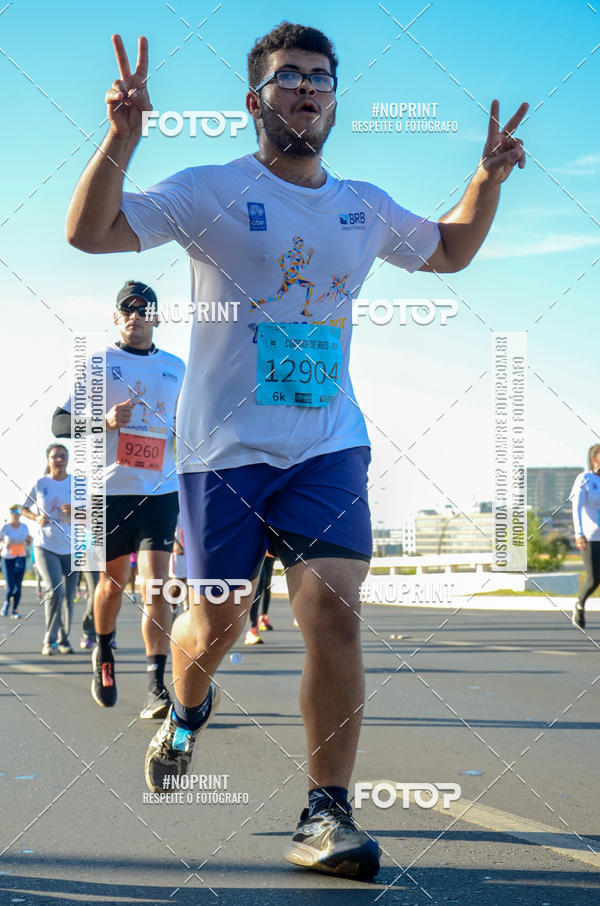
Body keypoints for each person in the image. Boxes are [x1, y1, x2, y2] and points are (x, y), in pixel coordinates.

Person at [65, 22, 527, 880]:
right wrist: (120, 141)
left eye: (321, 77)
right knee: (216, 626)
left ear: (334, 97)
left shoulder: (364, 204)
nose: (308, 89)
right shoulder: (209, 190)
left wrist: (485, 179)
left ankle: (327, 814)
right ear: (257, 100)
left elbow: (453, 249)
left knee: (333, 613)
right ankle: (185, 713)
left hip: (327, 447)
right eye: (289, 78)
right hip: (221, 455)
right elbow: (90, 233)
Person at [52, 281, 185, 719]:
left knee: (156, 587)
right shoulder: (98, 364)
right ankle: (104, 653)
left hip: (159, 493)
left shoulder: (176, 367)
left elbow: (194, 427)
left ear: (156, 317)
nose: (135, 316)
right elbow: (59, 424)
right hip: (105, 492)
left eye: (144, 309)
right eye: (126, 310)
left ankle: (155, 686)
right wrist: (105, 421)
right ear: (116, 318)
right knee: (111, 584)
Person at [22, 445, 75, 654]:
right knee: (55, 590)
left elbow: (94, 513)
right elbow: (23, 508)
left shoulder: (77, 483)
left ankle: (63, 640)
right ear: (48, 460)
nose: (59, 460)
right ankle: (49, 639)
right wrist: (36, 517)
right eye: (55, 457)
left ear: (68, 459)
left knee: (69, 597)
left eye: (63, 456)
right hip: (45, 545)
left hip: (71, 547)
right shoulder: (40, 483)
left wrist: (76, 510)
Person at [570, 443, 600, 629]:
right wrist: (578, 533)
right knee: (594, 578)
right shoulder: (584, 478)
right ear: (594, 458)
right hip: (590, 537)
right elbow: (576, 508)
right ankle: (579, 604)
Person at [1, 505, 32, 619]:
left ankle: (15, 609)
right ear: (10, 514)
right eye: (13, 511)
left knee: (18, 586)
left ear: (20, 514)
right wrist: (4, 544)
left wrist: (28, 541)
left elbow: (28, 541)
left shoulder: (24, 527)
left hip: (20, 558)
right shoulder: (5, 527)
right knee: (10, 585)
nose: (15, 514)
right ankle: (6, 603)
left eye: (17, 512)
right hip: (7, 559)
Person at [245, 552, 275, 645]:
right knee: (257, 582)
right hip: (252, 548)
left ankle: (259, 621)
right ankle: (253, 627)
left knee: (265, 581)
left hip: (265, 546)